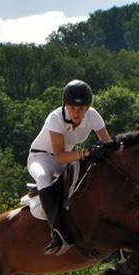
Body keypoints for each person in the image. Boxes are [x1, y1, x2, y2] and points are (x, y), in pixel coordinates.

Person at [28, 79, 112, 255]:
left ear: (88, 107)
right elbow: (59, 156)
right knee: (44, 177)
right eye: (72, 107)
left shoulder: (94, 116)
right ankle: (57, 231)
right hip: (41, 158)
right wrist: (87, 153)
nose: (76, 112)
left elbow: (108, 143)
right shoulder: (55, 118)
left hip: (68, 158)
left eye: (81, 109)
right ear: (65, 105)